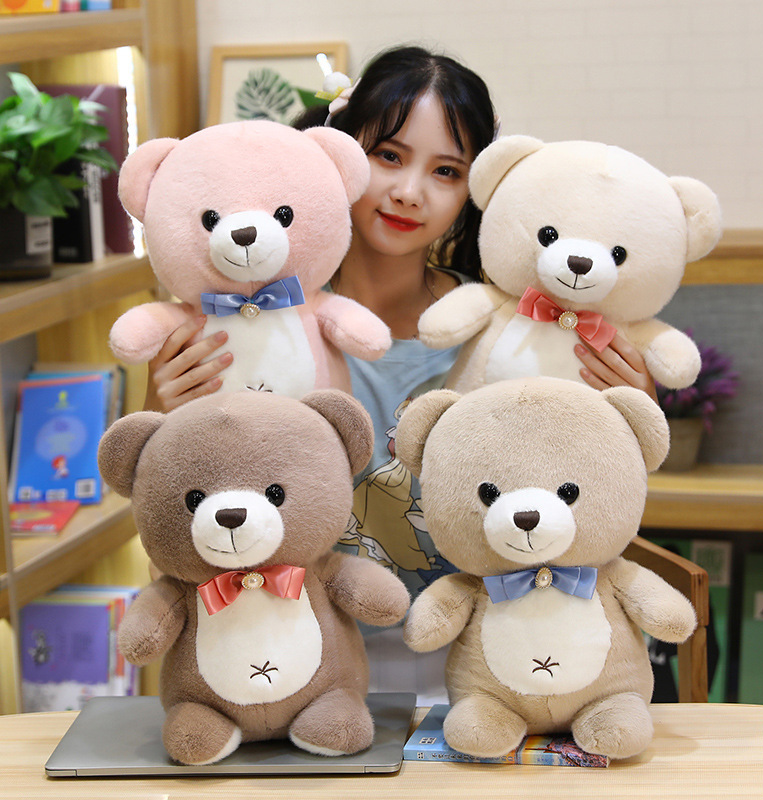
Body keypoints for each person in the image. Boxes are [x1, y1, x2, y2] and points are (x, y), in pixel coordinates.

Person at [142, 44, 656, 702]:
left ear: (473, 190)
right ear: (341, 152)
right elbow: (173, 504)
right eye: (389, 156)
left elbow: (584, 497)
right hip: (288, 659)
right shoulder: (248, 326)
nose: (410, 192)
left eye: (445, 171)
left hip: (483, 662)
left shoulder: (506, 332)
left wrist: (628, 417)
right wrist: (169, 409)